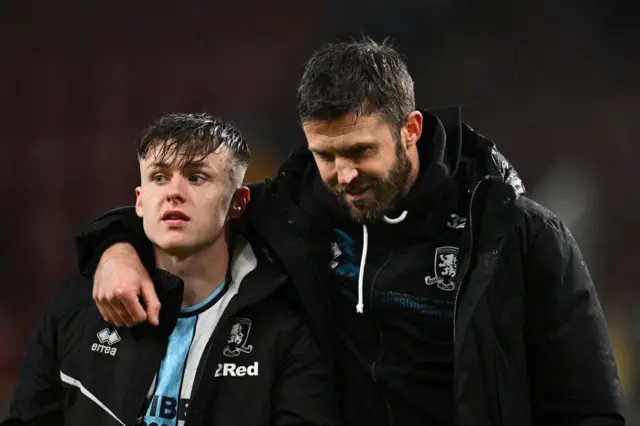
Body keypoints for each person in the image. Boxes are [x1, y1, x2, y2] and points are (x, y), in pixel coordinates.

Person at [74, 39, 624, 426]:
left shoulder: (516, 232)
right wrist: (114, 246)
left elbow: (589, 405)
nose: (343, 175)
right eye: (325, 155)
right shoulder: (297, 208)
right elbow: (185, 211)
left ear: (410, 130)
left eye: (360, 151)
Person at [3, 113, 337, 426]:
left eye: (196, 177)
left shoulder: (283, 328)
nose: (174, 193)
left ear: (238, 202)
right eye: (159, 177)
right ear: (139, 200)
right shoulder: (74, 308)